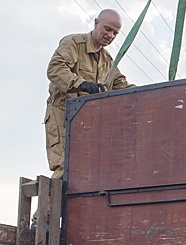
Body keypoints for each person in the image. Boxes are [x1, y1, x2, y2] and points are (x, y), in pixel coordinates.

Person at [33, 9, 134, 226]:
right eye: (107, 29)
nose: (110, 35)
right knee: (64, 166)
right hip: (62, 113)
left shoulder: (107, 61)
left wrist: (154, 93)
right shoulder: (74, 44)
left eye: (115, 33)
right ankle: (41, 223)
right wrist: (80, 84)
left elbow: (122, 86)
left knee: (84, 171)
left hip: (86, 123)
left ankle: (69, 225)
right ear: (96, 23)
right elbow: (55, 69)